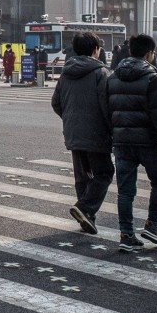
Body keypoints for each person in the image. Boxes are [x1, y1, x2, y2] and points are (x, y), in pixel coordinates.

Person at [106, 33, 157, 251]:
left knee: (125, 190)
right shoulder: (153, 78)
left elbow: (107, 110)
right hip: (147, 141)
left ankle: (126, 234)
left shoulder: (113, 77)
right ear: (149, 53)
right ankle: (153, 226)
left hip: (122, 141)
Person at [51, 32, 113, 235]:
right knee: (104, 172)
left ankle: (87, 217)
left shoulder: (66, 72)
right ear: (96, 49)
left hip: (73, 132)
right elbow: (107, 105)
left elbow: (56, 102)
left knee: (83, 176)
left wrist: (71, 120)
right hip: (96, 132)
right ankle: (85, 208)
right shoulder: (101, 73)